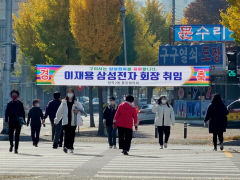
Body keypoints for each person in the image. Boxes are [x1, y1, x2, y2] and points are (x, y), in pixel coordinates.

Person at [55, 88, 86, 153]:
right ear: (67, 94)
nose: (70, 94)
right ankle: (65, 146)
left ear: (73, 94)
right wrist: (57, 120)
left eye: (71, 93)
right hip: (65, 122)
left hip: (73, 122)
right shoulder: (64, 102)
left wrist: (78, 111)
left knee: (72, 135)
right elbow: (59, 112)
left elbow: (83, 111)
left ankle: (71, 147)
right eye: (68, 93)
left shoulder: (76, 103)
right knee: (66, 134)